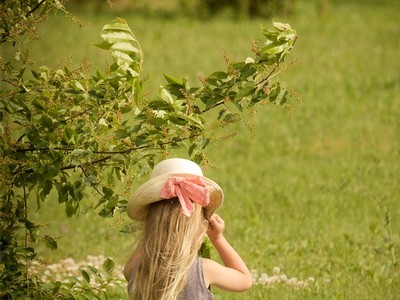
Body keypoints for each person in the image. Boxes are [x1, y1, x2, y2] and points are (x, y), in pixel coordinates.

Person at [124, 158, 252, 299]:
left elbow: (127, 271)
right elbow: (244, 279)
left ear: (150, 222)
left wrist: (153, 231)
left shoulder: (138, 268)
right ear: (200, 225)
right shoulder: (203, 269)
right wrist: (218, 238)